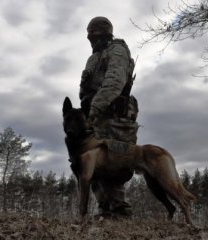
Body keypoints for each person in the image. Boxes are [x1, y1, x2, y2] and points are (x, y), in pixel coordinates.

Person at [79, 16, 139, 217]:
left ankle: (120, 214)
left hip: (115, 118)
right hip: (95, 118)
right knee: (94, 165)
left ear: (105, 31)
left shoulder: (117, 50)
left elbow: (115, 81)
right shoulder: (93, 58)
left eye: (94, 31)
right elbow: (86, 87)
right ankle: (104, 211)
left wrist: (95, 107)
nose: (90, 36)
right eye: (88, 31)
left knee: (115, 166)